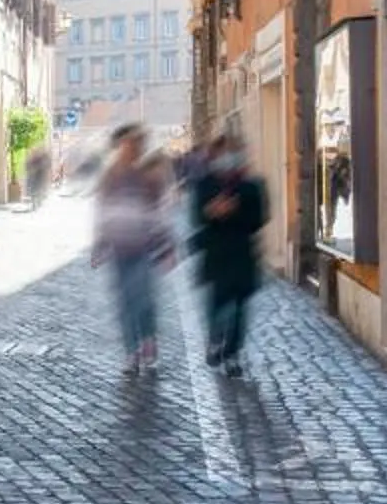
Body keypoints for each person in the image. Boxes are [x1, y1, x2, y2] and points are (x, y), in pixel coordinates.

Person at [92, 124, 174, 373]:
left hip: (143, 248)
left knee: (143, 300)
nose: (129, 149)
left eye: (134, 145)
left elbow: (160, 214)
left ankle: (148, 340)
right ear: (119, 147)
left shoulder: (149, 178)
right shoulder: (108, 177)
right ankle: (131, 352)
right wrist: (99, 244)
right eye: (126, 145)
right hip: (119, 248)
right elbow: (102, 213)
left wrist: (166, 246)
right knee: (125, 303)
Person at [188, 129, 270, 375]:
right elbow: (196, 218)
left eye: (233, 152)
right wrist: (212, 211)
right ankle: (215, 340)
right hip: (216, 254)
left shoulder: (252, 185)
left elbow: (260, 219)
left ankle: (232, 353)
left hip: (243, 254)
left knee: (240, 308)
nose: (229, 157)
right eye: (223, 153)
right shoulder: (205, 184)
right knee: (217, 304)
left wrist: (236, 209)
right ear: (214, 156)